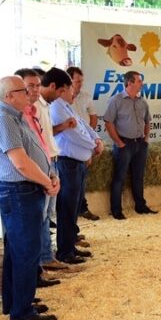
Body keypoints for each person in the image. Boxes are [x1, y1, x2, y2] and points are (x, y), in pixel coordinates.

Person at [0, 76, 60, 320]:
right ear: (9, 96)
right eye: (22, 90)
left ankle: (17, 303)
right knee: (26, 252)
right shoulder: (4, 119)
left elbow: (33, 152)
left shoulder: (16, 116)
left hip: (26, 190)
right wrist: (47, 182)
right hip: (19, 191)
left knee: (19, 251)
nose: (29, 93)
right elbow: (21, 163)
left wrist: (50, 174)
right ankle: (21, 313)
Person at [14, 69, 68, 274]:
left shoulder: (36, 110)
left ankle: (44, 259)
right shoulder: (15, 116)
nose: (35, 90)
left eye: (38, 85)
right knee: (39, 219)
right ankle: (40, 263)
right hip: (32, 174)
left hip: (48, 164)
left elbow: (41, 143)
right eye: (31, 86)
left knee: (46, 215)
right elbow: (22, 157)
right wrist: (45, 177)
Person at [50, 78, 103, 264]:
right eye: (72, 87)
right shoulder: (57, 107)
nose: (74, 91)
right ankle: (64, 251)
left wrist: (97, 139)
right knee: (67, 208)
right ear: (62, 89)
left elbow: (83, 125)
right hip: (68, 163)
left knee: (74, 208)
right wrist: (93, 146)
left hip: (77, 163)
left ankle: (70, 245)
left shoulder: (68, 106)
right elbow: (72, 134)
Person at [103, 71, 157, 219]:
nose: (142, 83)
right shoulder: (116, 100)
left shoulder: (142, 101)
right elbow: (108, 122)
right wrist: (118, 142)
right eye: (139, 81)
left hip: (140, 144)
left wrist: (146, 138)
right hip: (124, 143)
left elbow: (147, 121)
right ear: (130, 83)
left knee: (139, 176)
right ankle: (116, 210)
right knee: (119, 177)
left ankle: (140, 206)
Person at [65, 67, 99, 222]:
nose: (80, 84)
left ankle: (82, 208)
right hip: (71, 146)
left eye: (81, 81)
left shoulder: (86, 96)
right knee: (72, 185)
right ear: (69, 81)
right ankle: (74, 215)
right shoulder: (63, 101)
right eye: (77, 81)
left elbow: (93, 116)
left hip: (85, 141)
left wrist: (90, 136)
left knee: (82, 180)